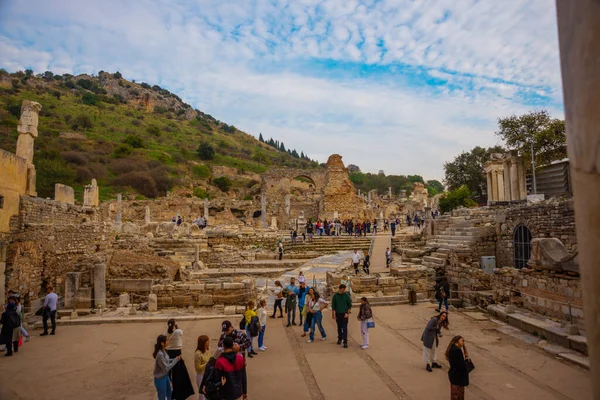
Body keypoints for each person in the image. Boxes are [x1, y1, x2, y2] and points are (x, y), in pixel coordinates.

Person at [164, 319, 195, 399]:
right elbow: (181, 332)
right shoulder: (177, 332)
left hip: (169, 353)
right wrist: (177, 327)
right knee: (179, 375)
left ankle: (169, 392)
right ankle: (179, 393)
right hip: (177, 354)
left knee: (169, 373)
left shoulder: (165, 333)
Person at [153, 334, 181, 400]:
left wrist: (175, 359)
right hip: (160, 379)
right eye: (167, 341)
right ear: (162, 343)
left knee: (169, 393)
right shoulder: (160, 354)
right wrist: (176, 360)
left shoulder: (164, 351)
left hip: (165, 376)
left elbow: (167, 361)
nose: (168, 342)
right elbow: (166, 368)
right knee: (162, 397)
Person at [446, 335, 471, 400]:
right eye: (462, 340)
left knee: (454, 395)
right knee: (458, 396)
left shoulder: (452, 348)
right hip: (458, 378)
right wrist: (467, 358)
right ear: (458, 340)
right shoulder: (457, 350)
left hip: (454, 376)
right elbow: (462, 365)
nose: (463, 342)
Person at [331, 284, 352, 348]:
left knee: (344, 328)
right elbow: (333, 306)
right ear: (340, 289)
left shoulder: (346, 295)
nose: (344, 290)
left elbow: (349, 305)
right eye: (343, 289)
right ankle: (340, 338)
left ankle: (345, 341)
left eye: (344, 289)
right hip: (338, 314)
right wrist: (333, 314)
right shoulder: (335, 296)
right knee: (339, 327)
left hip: (344, 314)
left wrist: (347, 313)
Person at [195, 335, 211, 400]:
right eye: (207, 341)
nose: (209, 342)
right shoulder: (198, 354)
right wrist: (208, 363)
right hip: (201, 376)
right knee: (202, 395)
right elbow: (198, 368)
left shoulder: (207, 351)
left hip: (208, 374)